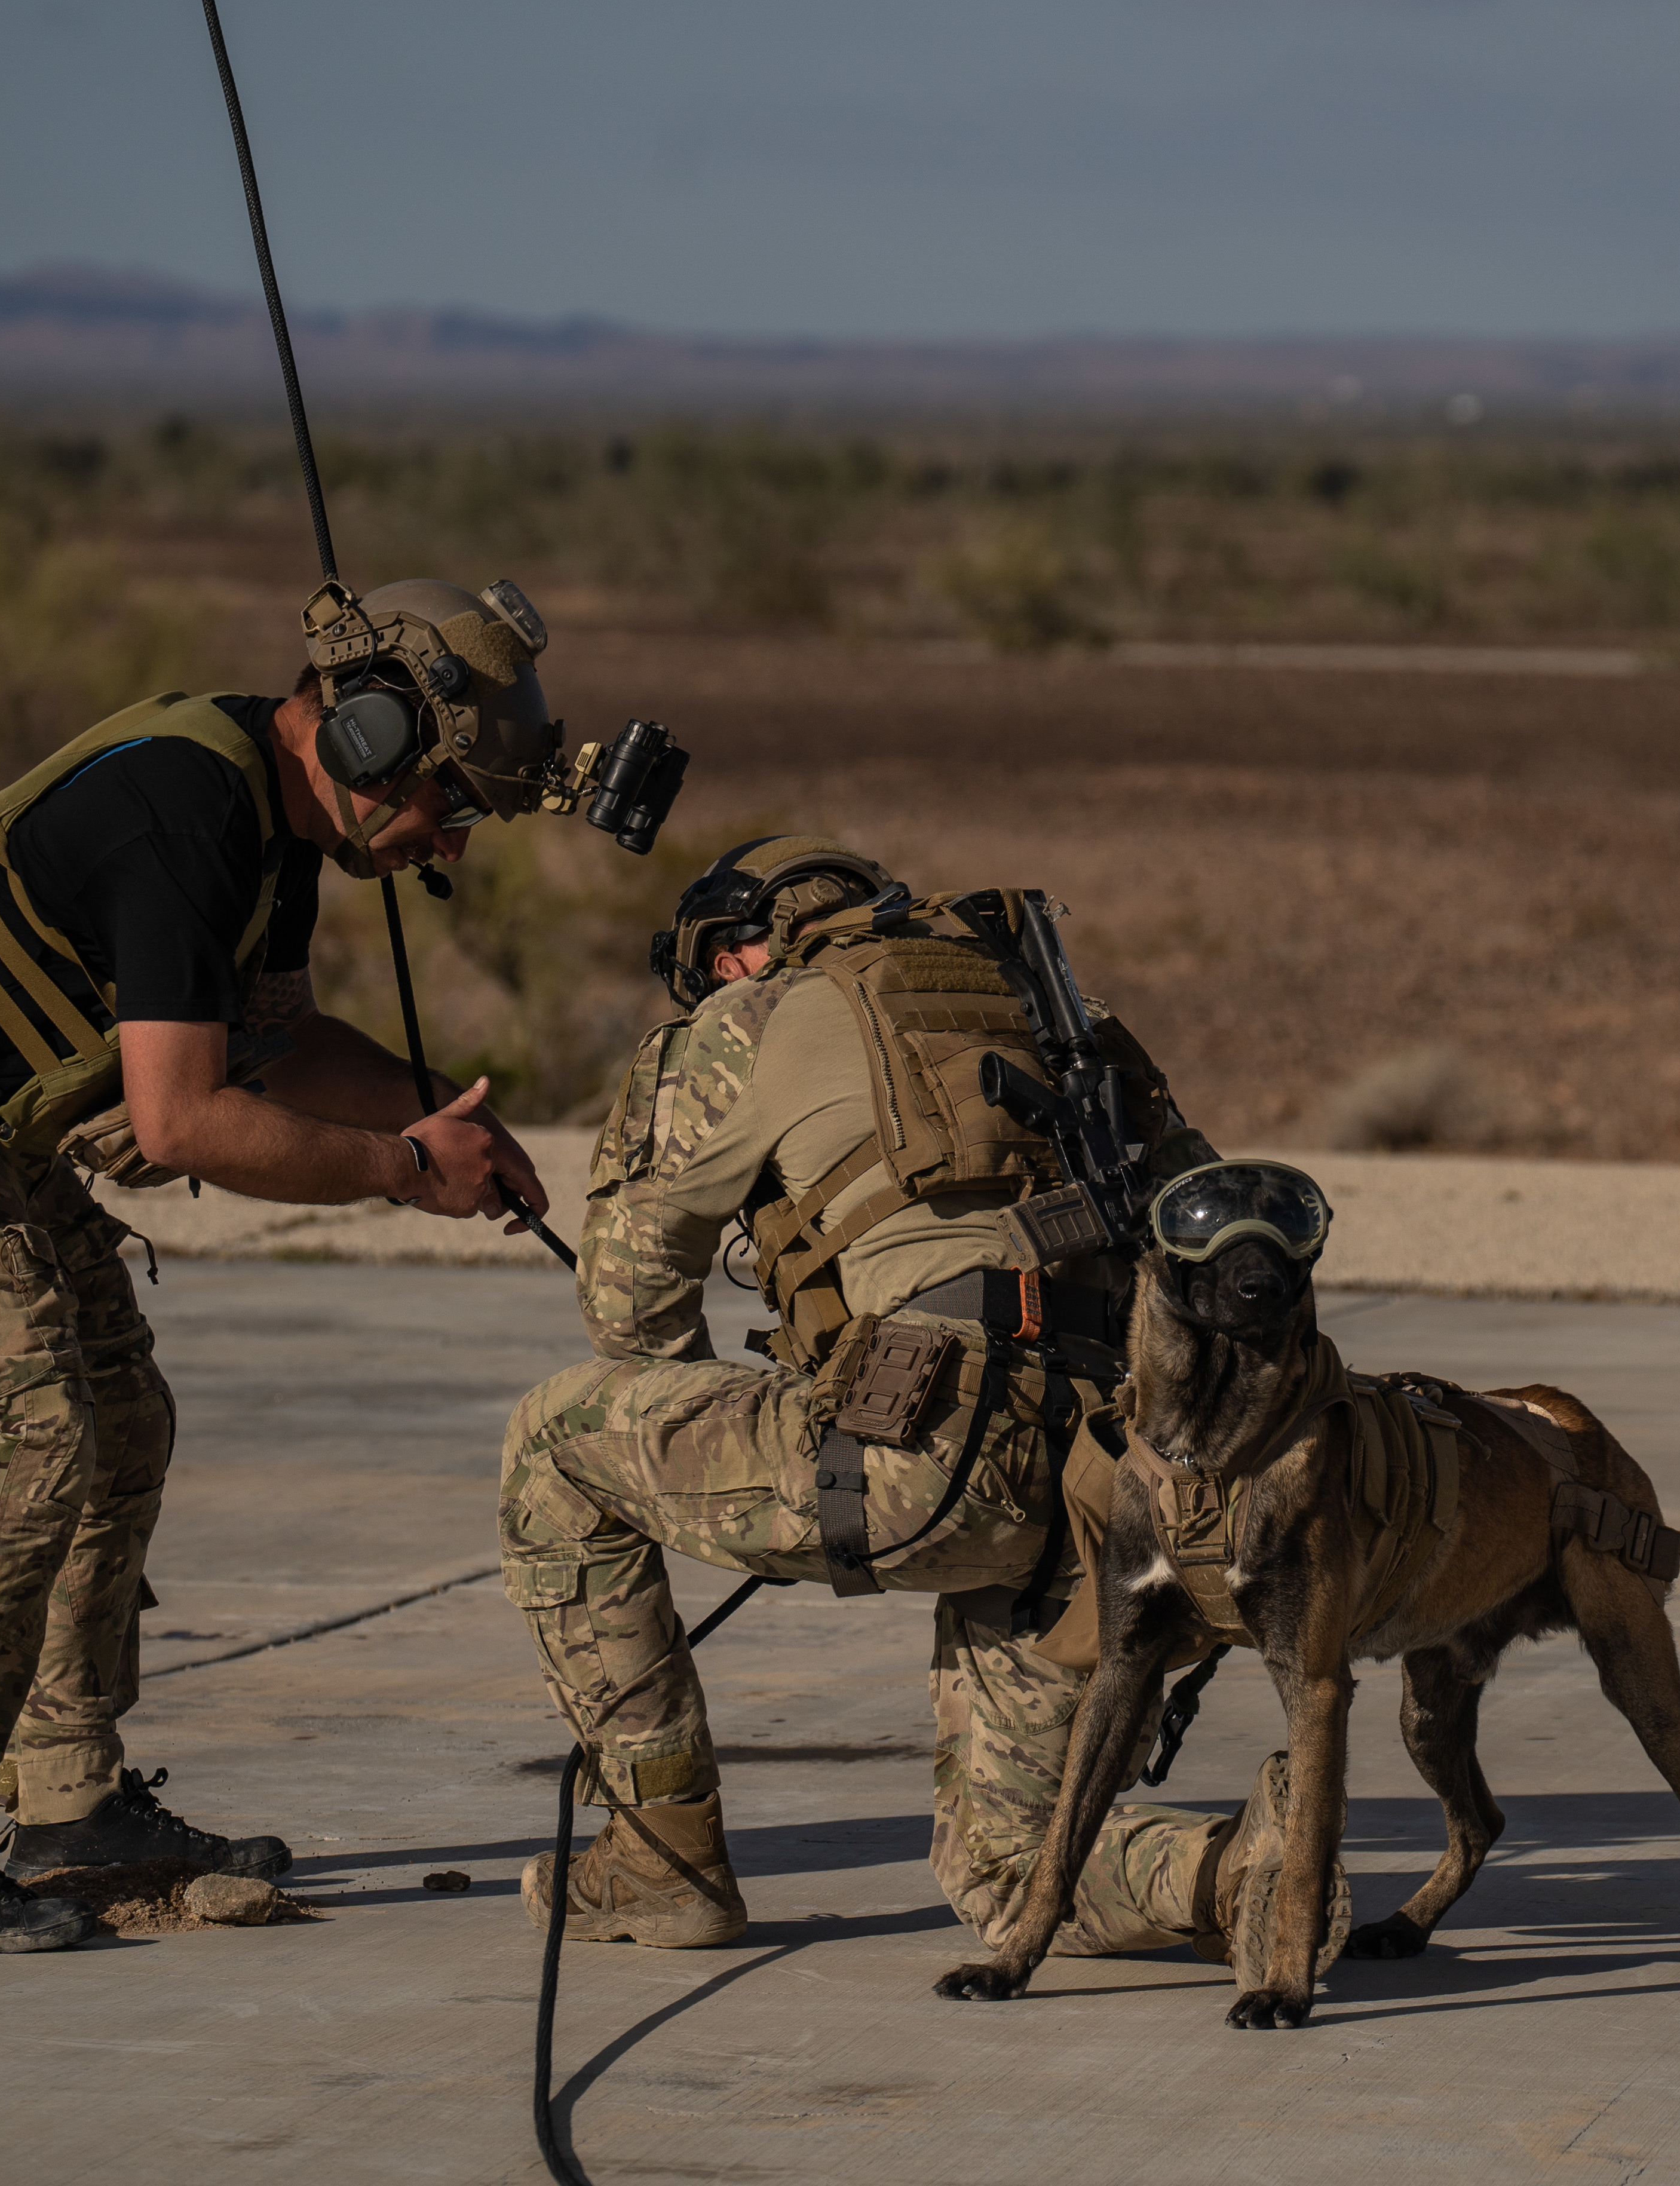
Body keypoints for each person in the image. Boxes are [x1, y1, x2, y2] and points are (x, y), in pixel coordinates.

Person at [0, 580, 563, 1955]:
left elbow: (267, 1045)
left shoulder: (269, 827)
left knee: (120, 1419)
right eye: (456, 802)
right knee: (22, 1446)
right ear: (368, 743)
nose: (455, 845)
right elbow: (186, 1118)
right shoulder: (187, 818)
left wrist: (430, 1107)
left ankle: (72, 1801)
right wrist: (405, 1171)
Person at [500, 836, 1310, 1968]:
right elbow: (1209, 1225)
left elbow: (630, 1313)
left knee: (555, 1441)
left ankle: (661, 1861)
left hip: (917, 1454)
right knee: (1010, 1876)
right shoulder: (1056, 1009)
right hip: (1109, 1482)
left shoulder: (747, 1018)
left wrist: (748, 1422)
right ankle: (1242, 1874)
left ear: (740, 949)